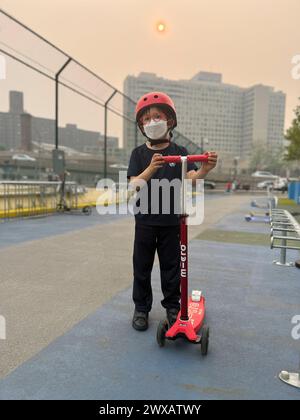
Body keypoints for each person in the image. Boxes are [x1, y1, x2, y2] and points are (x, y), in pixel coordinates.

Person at [127, 91, 217, 331]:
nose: (152, 122)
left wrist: (205, 170)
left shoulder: (180, 151)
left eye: (157, 116)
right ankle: (141, 309)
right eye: (146, 119)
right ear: (141, 125)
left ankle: (173, 307)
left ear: (169, 121)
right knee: (142, 268)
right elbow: (134, 184)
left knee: (172, 268)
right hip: (145, 221)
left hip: (171, 222)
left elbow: (192, 178)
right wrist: (150, 168)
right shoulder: (138, 154)